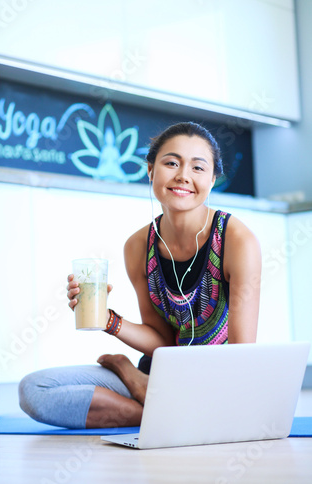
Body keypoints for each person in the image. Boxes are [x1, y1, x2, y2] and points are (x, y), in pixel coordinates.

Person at [18, 122, 261, 429]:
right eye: (171, 163)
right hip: (159, 375)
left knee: (229, 409)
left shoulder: (237, 241)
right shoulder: (138, 246)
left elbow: (243, 355)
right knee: (35, 391)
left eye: (198, 167)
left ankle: (152, 397)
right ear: (151, 171)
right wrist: (107, 319)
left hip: (217, 383)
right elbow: (162, 340)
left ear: (212, 180)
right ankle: (158, 405)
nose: (183, 175)